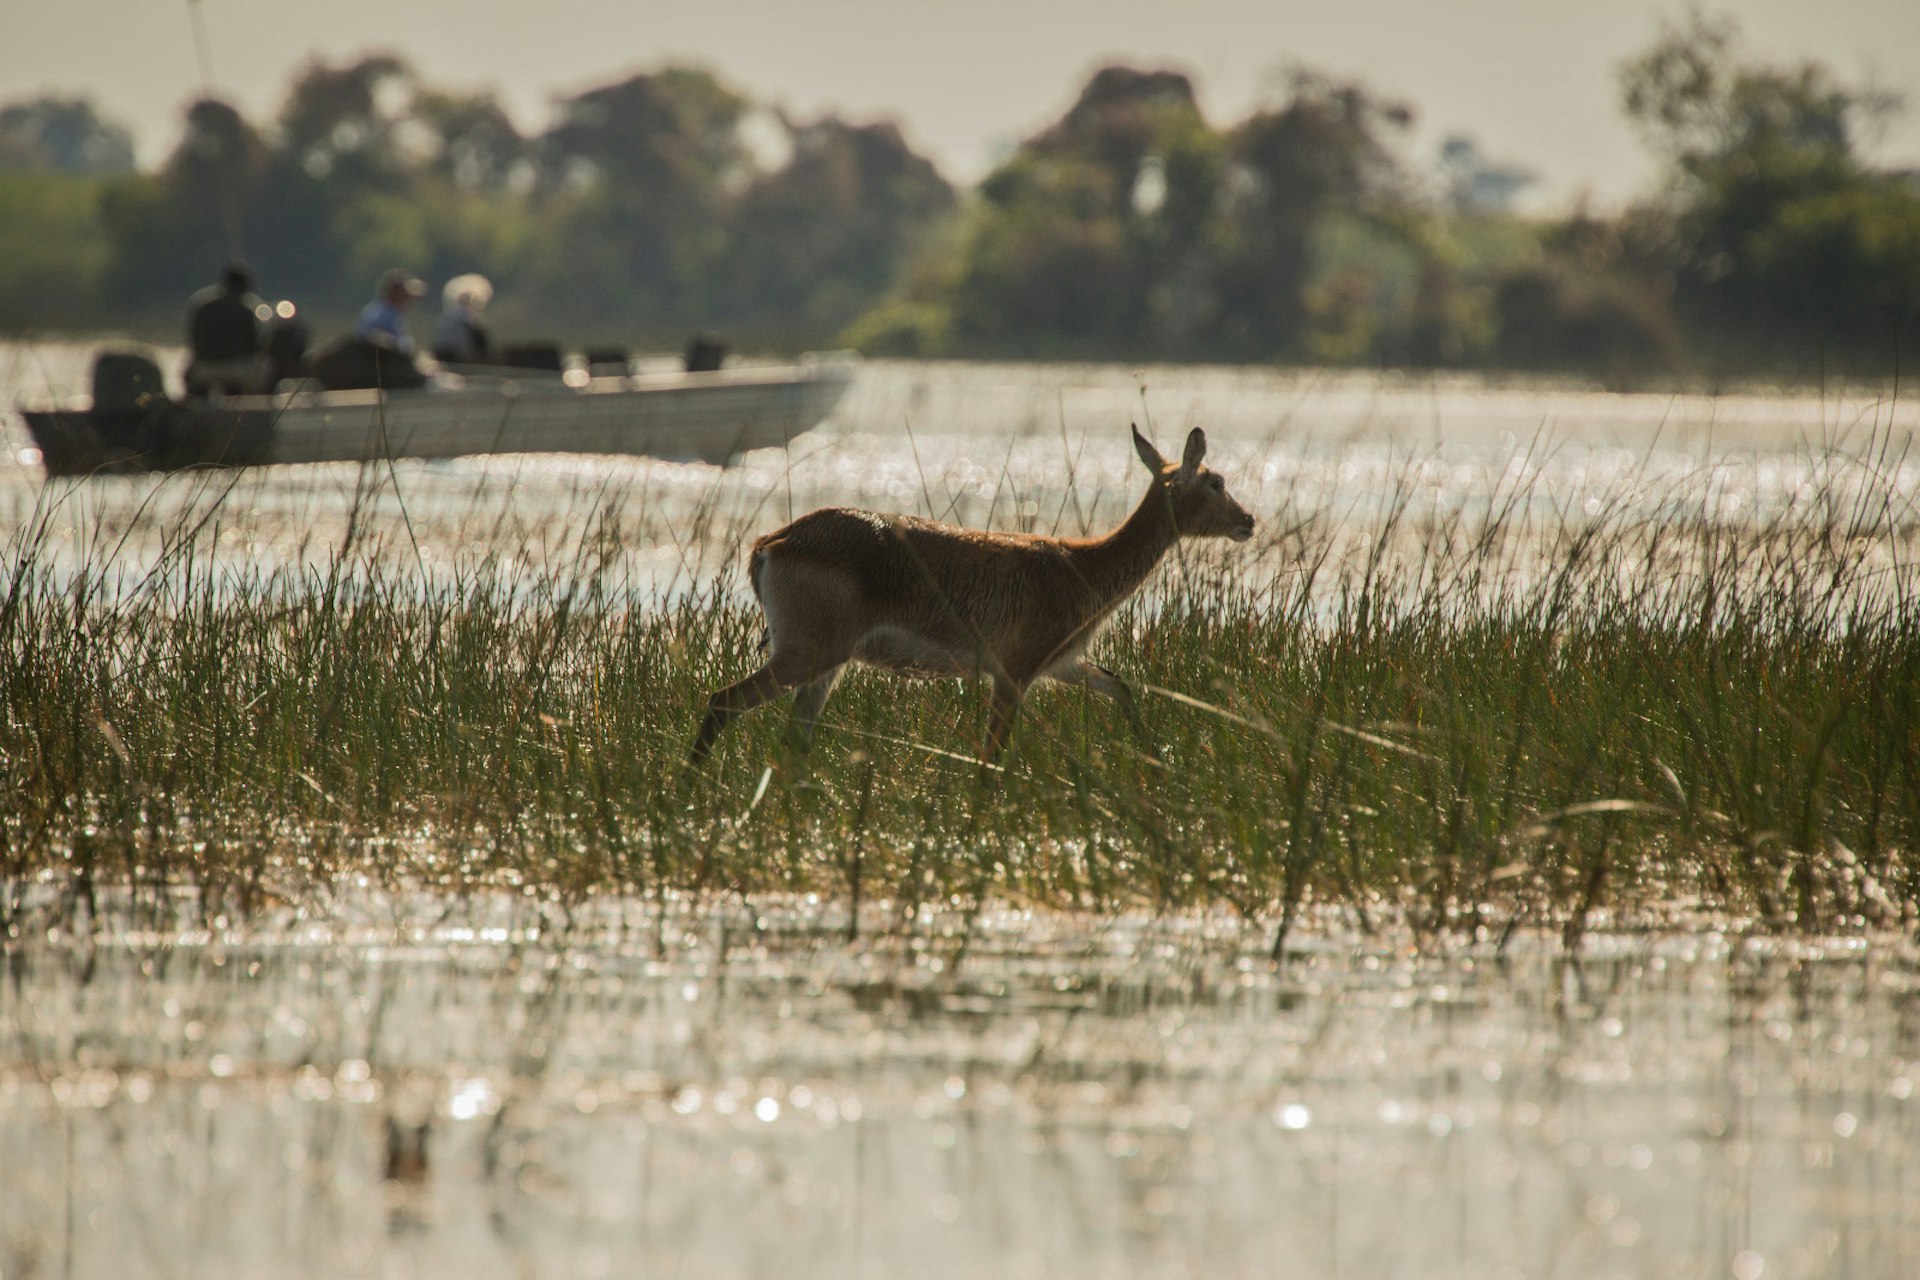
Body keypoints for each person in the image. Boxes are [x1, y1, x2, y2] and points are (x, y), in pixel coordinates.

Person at [183, 261, 272, 398]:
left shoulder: (201, 304)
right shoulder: (248, 308)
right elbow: (258, 343)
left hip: (204, 368)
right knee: (267, 365)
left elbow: (192, 338)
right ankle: (259, 405)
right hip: (239, 370)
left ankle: (195, 402)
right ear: (245, 285)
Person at [353, 267, 425, 354]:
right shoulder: (380, 314)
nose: (410, 301)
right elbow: (368, 338)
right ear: (396, 294)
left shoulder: (392, 313)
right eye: (406, 295)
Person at [431, 273, 494, 366]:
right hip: (460, 362)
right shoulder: (468, 320)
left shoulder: (446, 318)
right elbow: (482, 348)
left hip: (445, 361)